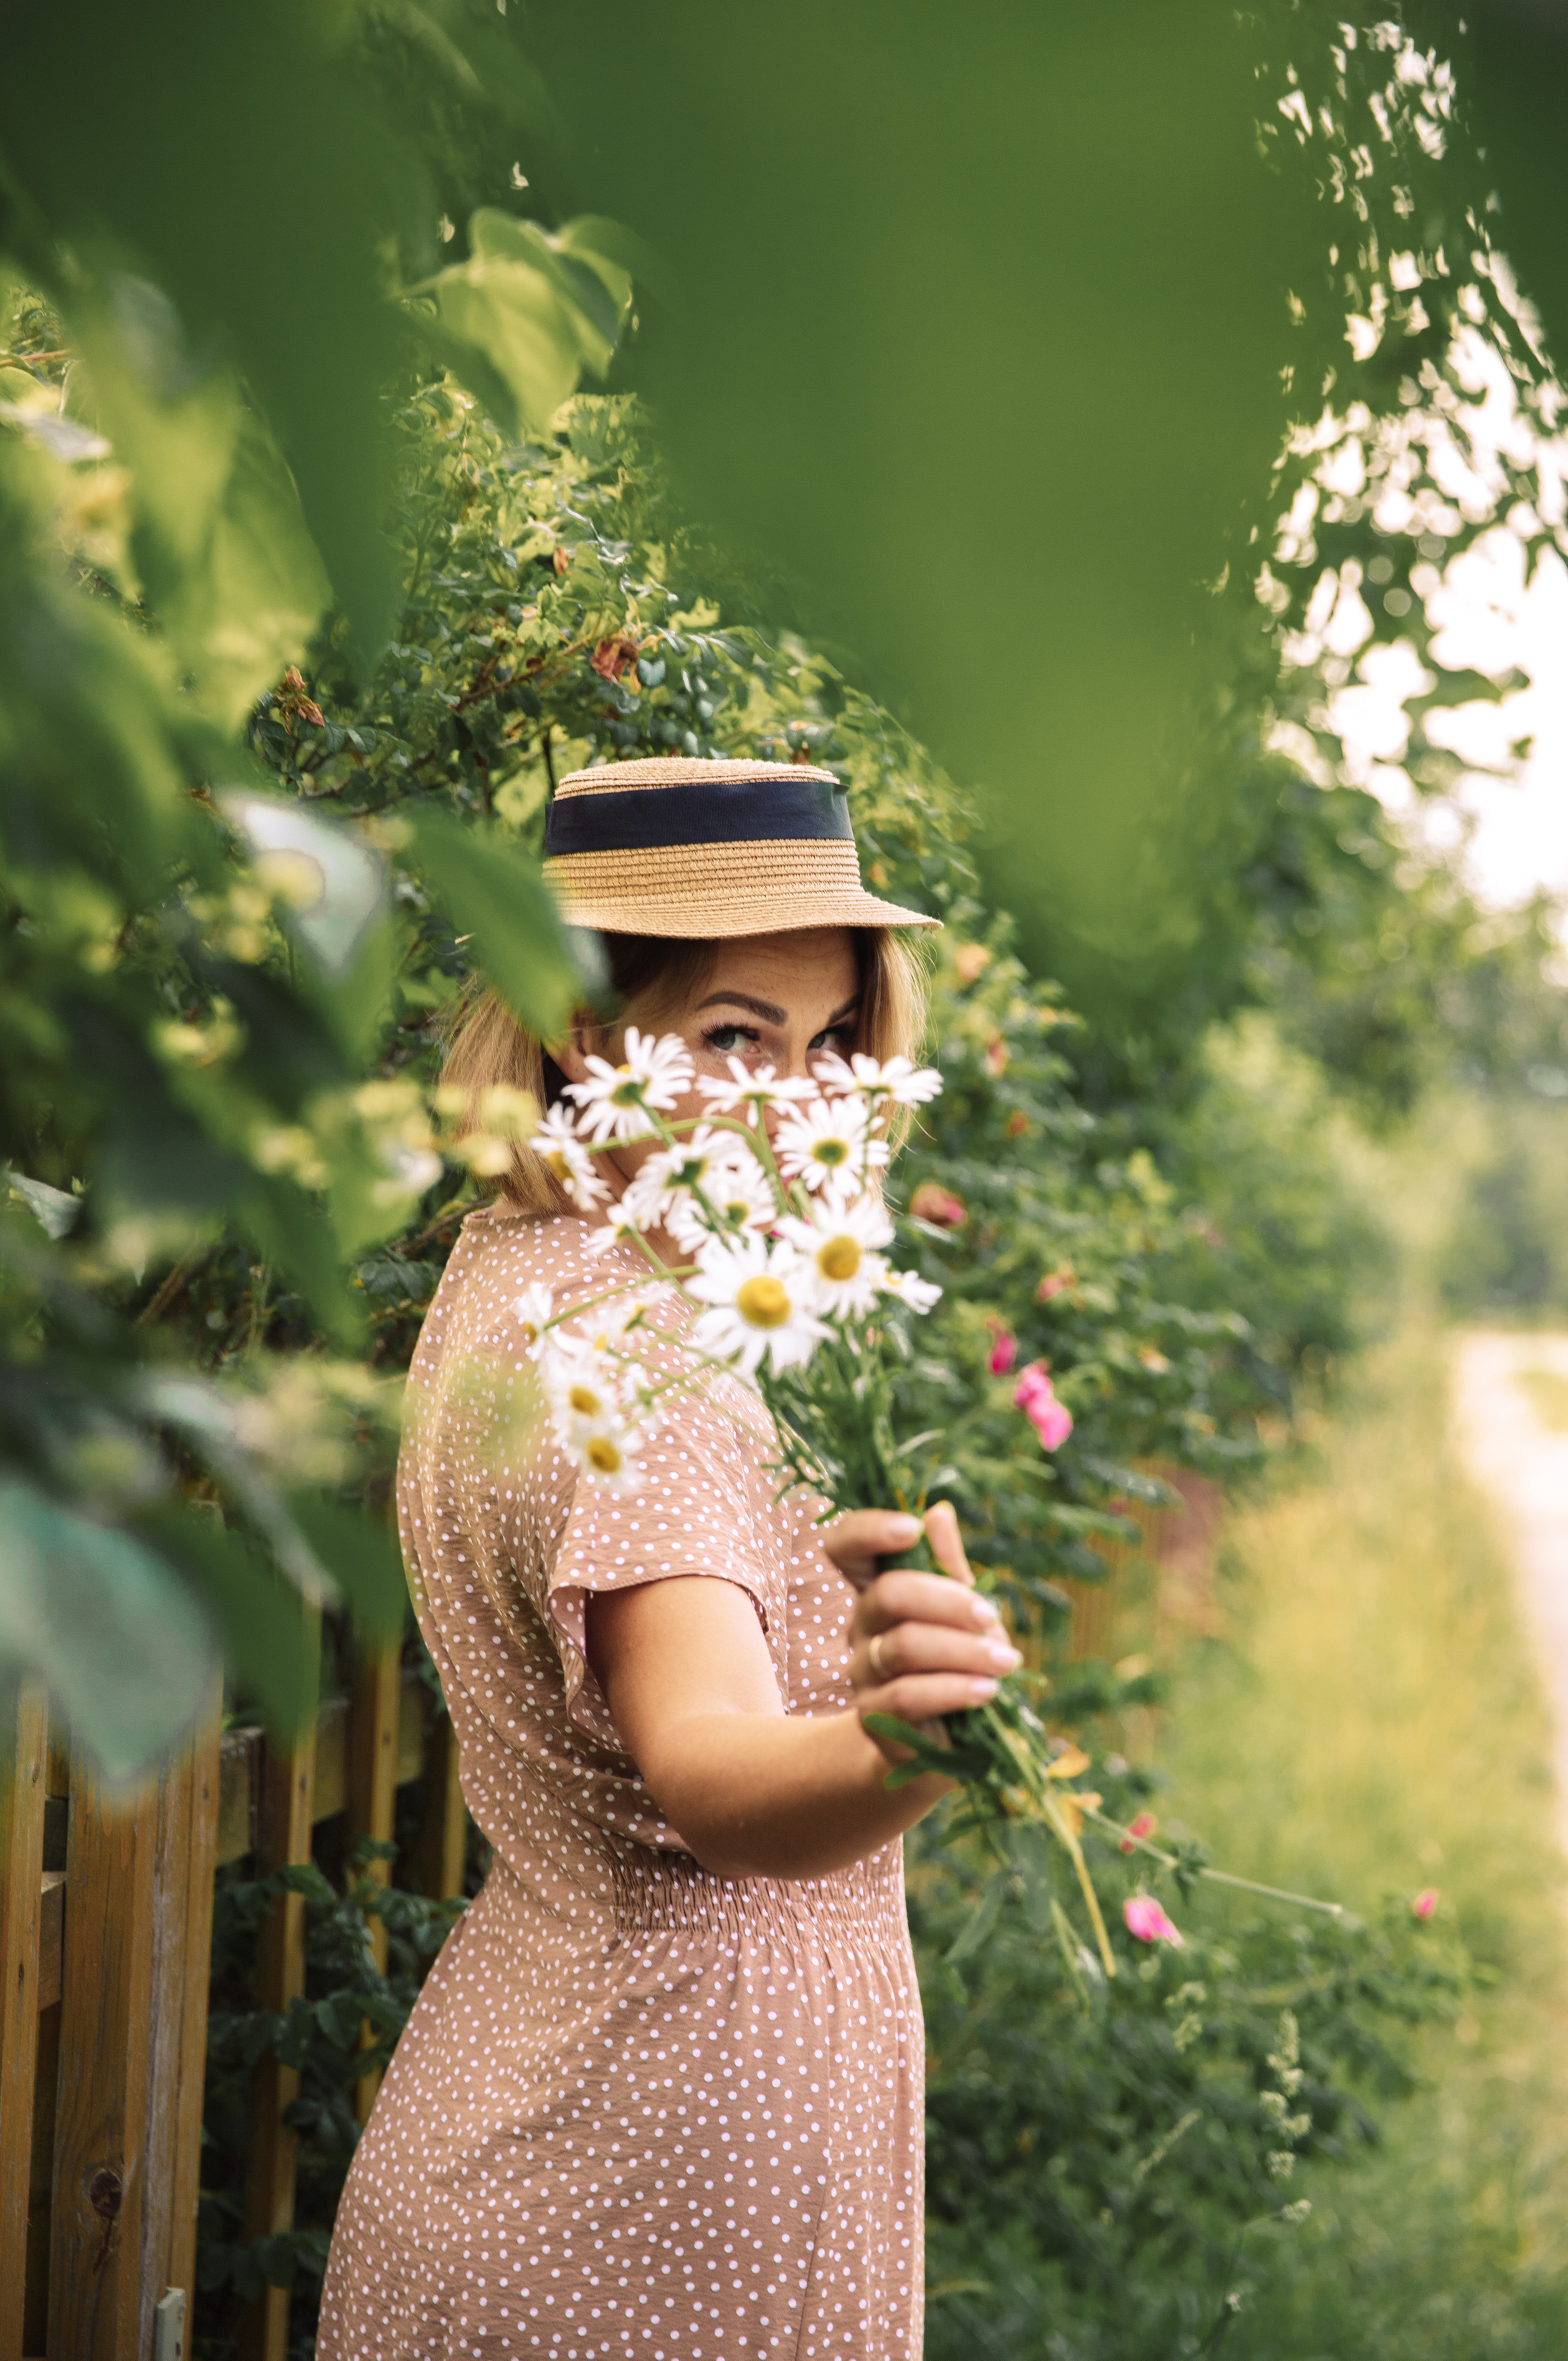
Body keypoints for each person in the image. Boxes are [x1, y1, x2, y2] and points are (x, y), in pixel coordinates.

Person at [317, 758, 1023, 2361]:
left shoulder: (535, 1269)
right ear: (583, 1034)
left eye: (832, 1038)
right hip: (641, 2219)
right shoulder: (646, 1347)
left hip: (569, 2135)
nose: (800, 1097)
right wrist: (910, 1741)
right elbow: (702, 1761)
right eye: (730, 1037)